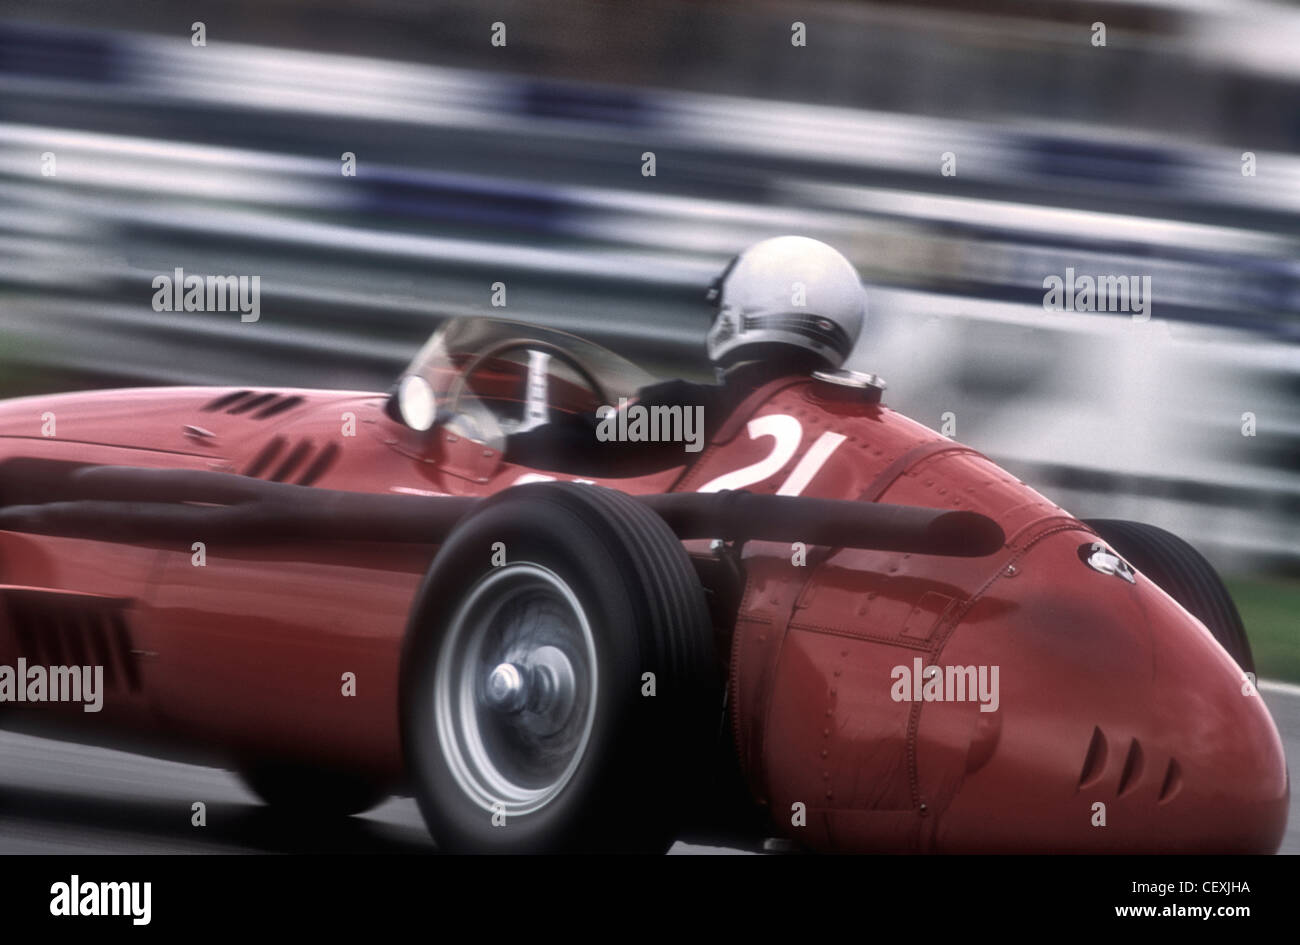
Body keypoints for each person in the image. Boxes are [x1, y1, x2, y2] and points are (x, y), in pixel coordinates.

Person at [505, 235, 869, 475]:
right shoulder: (857, 437)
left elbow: (559, 445)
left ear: (735, 314)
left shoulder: (691, 412)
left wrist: (488, 438)